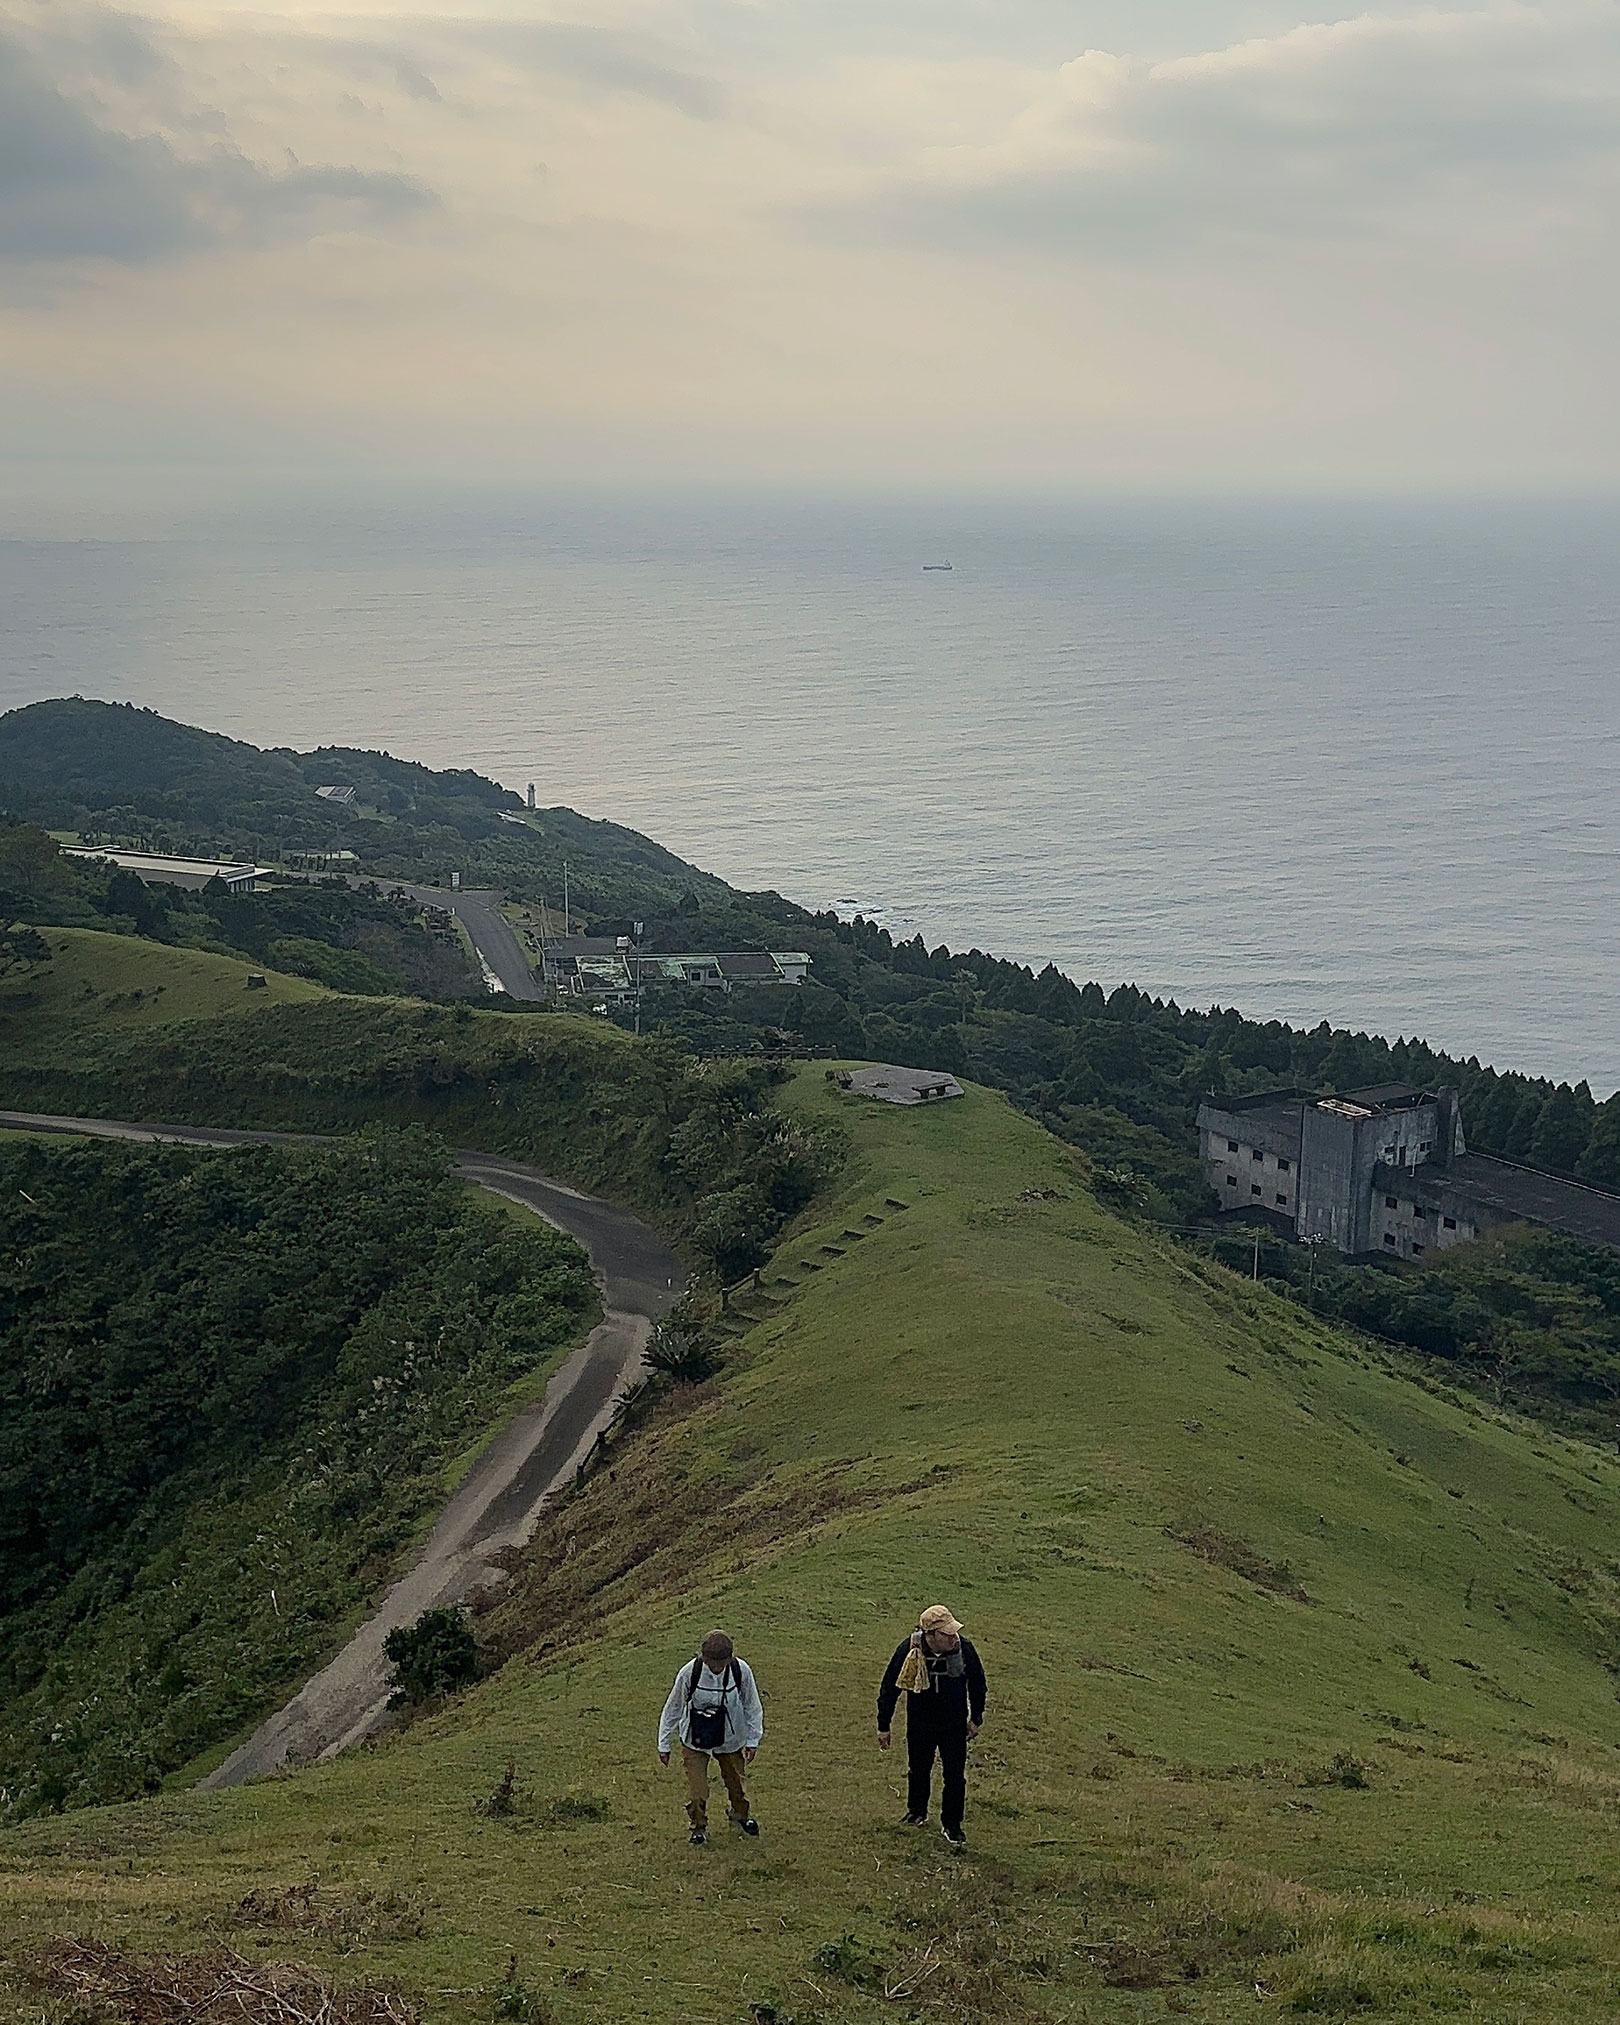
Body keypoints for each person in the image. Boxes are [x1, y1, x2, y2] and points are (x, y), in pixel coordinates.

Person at [876, 1603, 986, 1847]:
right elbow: (890, 1687)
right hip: (920, 1723)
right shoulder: (909, 1649)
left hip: (954, 1725)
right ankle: (917, 1812)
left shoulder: (964, 1649)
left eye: (954, 1631)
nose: (953, 1638)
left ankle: (952, 1825)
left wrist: (976, 1718)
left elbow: (978, 1683)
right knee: (918, 1769)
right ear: (930, 1635)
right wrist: (884, 1725)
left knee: (955, 1777)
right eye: (947, 1634)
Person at [658, 1629, 763, 1846]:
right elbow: (673, 1707)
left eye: (721, 1663)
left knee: (737, 1784)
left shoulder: (740, 1670)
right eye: (712, 1663)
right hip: (695, 1739)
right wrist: (664, 1743)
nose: (716, 1669)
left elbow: (752, 1705)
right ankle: (698, 1827)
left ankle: (741, 1816)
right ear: (703, 1658)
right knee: (697, 1791)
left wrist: (753, 1740)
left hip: (731, 1738)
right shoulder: (689, 1673)